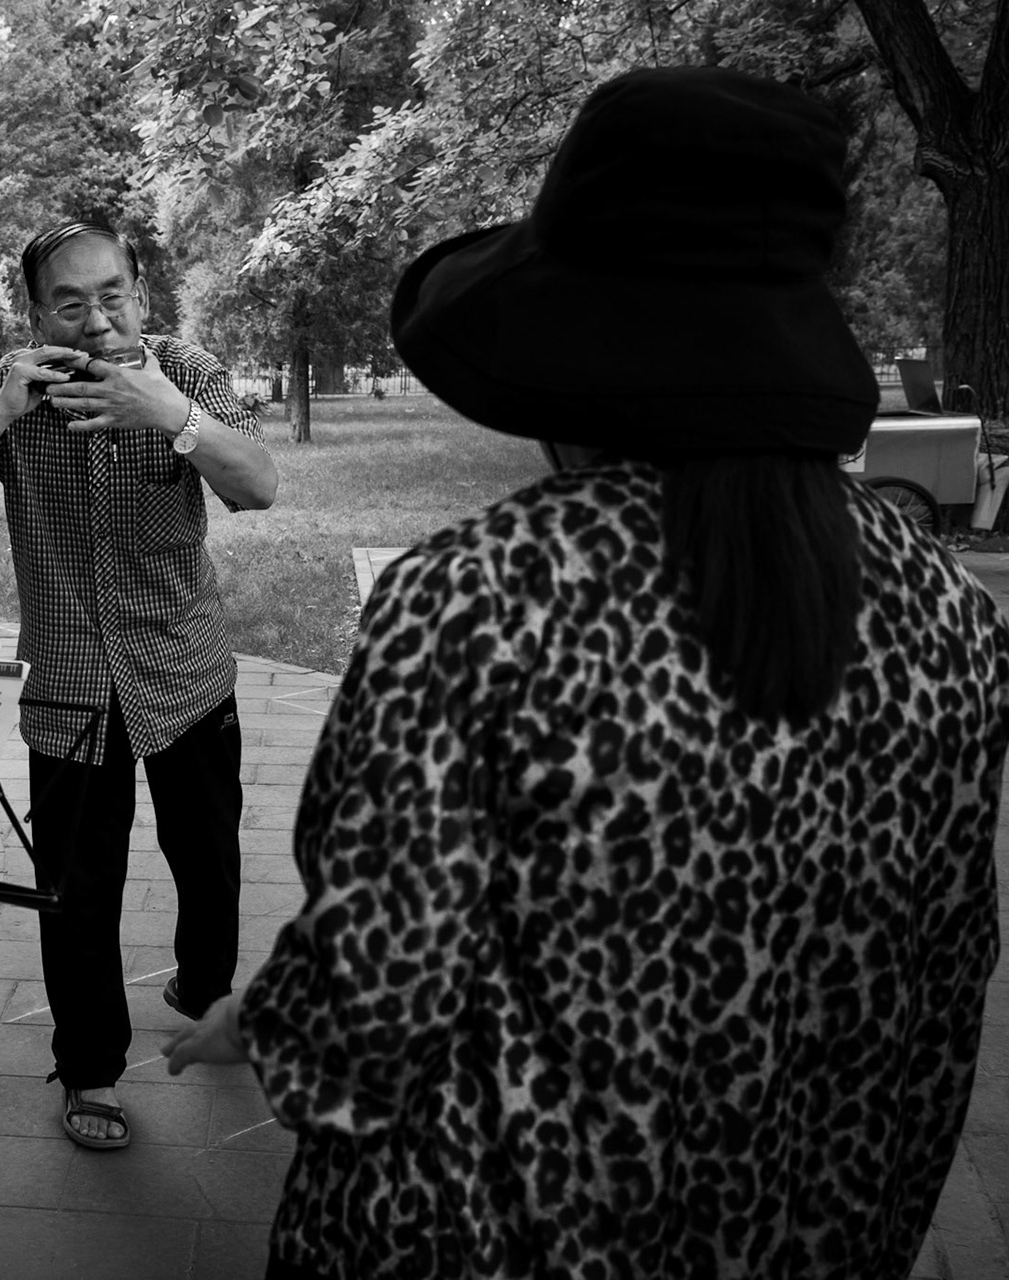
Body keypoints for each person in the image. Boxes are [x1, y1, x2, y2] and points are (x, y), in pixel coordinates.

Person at [163, 67, 1008, 1278]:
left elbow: (378, 994)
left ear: (569, 346)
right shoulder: (949, 614)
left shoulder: (480, 601)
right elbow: (937, 1014)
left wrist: (265, 1020)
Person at [0, 220, 279, 1148]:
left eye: (113, 295)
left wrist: (171, 418)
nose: (97, 319)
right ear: (37, 312)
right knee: (76, 892)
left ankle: (204, 982)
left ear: (142, 295)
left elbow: (260, 485)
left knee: (210, 859)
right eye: (70, 302)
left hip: (184, 669)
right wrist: (0, 414)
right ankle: (90, 1068)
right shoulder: (10, 389)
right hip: (66, 684)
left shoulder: (186, 373)